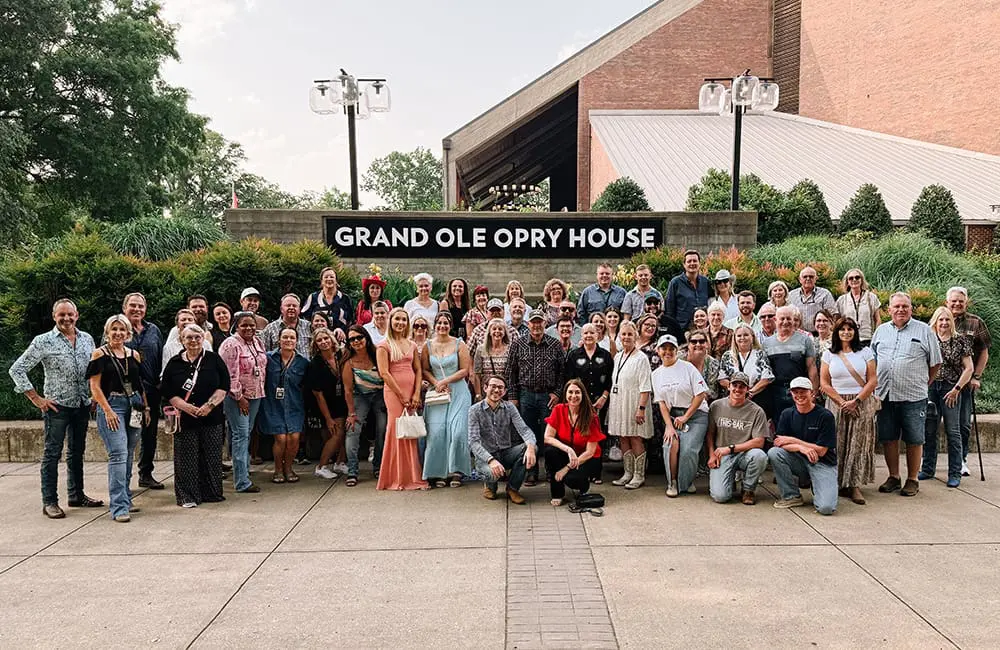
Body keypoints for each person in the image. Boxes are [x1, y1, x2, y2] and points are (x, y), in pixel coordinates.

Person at [10, 299, 102, 518]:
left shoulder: (87, 339)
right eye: (62, 315)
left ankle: (76, 495)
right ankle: (49, 502)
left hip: (82, 405)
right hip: (57, 407)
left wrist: (95, 395)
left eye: (70, 314)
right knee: (52, 454)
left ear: (77, 315)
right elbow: (17, 369)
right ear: (54, 317)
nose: (66, 318)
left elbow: (94, 369)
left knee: (76, 453)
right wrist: (36, 398)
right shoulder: (43, 341)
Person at [871, 292, 942, 498]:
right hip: (885, 394)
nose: (900, 310)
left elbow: (935, 362)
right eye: (897, 306)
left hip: (913, 396)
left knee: (914, 438)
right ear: (889, 309)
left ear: (911, 309)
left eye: (905, 306)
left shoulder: (924, 330)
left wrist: (924, 382)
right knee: (888, 437)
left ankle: (912, 479)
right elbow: (873, 360)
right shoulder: (881, 331)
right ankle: (894, 477)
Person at [161, 324, 230, 507]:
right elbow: (167, 391)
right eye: (189, 337)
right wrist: (186, 407)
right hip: (185, 418)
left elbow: (224, 385)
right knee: (186, 458)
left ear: (203, 339)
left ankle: (211, 493)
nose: (193, 341)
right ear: (182, 340)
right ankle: (188, 496)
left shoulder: (214, 360)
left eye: (197, 337)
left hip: (211, 416)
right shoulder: (174, 363)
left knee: (211, 456)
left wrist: (209, 406)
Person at [87, 315, 148, 522]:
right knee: (118, 454)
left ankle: (126, 497)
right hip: (112, 404)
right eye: (114, 329)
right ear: (107, 332)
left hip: (134, 404)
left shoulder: (134, 354)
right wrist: (107, 410)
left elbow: (139, 384)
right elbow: (95, 387)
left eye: (122, 329)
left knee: (129, 453)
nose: (118, 333)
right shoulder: (99, 354)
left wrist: (146, 408)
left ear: (128, 333)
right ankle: (118, 506)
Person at [505, 309, 566, 486]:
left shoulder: (555, 344)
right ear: (528, 324)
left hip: (548, 396)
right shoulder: (518, 344)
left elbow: (562, 373)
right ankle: (531, 471)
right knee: (528, 434)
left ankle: (550, 470)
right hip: (526, 395)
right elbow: (510, 372)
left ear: (545, 324)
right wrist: (513, 396)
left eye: (540, 322)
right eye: (534, 322)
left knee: (549, 434)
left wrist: (557, 393)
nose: (537, 325)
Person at [820, 317, 877, 505]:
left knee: (858, 443)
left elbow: (872, 380)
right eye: (842, 329)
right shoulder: (829, 354)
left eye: (850, 329)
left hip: (861, 401)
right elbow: (824, 383)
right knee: (837, 443)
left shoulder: (865, 352)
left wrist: (856, 401)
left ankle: (854, 485)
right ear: (836, 332)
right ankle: (837, 482)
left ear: (855, 331)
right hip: (836, 403)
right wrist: (842, 402)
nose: (846, 332)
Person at [768, 377, 838, 514]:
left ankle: (818, 484)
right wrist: (801, 448)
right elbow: (779, 443)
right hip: (798, 460)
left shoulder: (825, 416)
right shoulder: (787, 414)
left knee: (826, 508)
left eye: (803, 391)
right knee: (774, 453)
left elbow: (822, 451)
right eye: (795, 392)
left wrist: (793, 441)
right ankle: (791, 496)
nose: (799, 395)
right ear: (791, 394)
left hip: (822, 463)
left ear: (812, 393)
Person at [920, 307, 973, 488]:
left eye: (947, 319)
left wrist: (957, 389)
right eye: (940, 319)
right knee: (929, 429)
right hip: (931, 386)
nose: (944, 323)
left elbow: (969, 368)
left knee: (953, 430)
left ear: (952, 321)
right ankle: (928, 469)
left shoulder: (960, 340)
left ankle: (955, 473)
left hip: (951, 387)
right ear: (935, 321)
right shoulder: (928, 338)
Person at [376, 308, 428, 490]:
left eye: (404, 320)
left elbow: (418, 370)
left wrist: (416, 394)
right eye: (397, 319)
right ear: (391, 321)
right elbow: (384, 373)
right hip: (393, 392)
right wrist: (401, 395)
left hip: (411, 391)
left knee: (410, 431)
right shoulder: (384, 345)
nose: (400, 323)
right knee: (396, 429)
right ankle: (395, 477)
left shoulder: (411, 344)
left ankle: (412, 476)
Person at [653, 334, 709, 497]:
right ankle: (672, 482)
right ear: (658, 351)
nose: (667, 352)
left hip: (696, 415)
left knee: (688, 450)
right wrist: (669, 427)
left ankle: (685, 482)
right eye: (664, 348)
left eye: (671, 348)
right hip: (673, 417)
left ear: (677, 350)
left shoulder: (688, 368)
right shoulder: (656, 374)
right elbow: (662, 403)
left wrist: (686, 417)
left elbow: (700, 394)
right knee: (670, 444)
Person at [467, 374, 537, 504]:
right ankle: (490, 486)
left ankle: (512, 489)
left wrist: (531, 447)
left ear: (504, 392)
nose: (496, 390)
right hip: (485, 457)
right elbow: (473, 442)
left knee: (530, 448)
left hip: (505, 453)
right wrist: (491, 460)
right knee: (492, 474)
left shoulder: (509, 407)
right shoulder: (474, 410)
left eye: (500, 388)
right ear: (485, 388)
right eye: (493, 386)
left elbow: (524, 430)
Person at [421, 312, 473, 487]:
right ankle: (438, 472)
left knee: (457, 432)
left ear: (450, 326)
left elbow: (464, 370)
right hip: (437, 393)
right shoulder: (428, 346)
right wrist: (437, 383)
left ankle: (456, 471)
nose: (442, 326)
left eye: (446, 323)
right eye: (439, 323)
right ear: (435, 325)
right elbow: (425, 369)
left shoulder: (460, 344)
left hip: (458, 391)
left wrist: (445, 381)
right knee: (437, 433)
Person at [218, 311, 267, 494]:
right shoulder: (230, 344)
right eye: (244, 325)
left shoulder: (257, 342)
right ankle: (242, 482)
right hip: (237, 398)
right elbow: (229, 375)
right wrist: (239, 397)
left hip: (256, 395)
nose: (248, 328)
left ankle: (244, 471)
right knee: (240, 435)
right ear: (236, 326)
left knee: (246, 433)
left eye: (251, 325)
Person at [122, 292, 165, 490]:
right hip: (126, 392)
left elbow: (161, 357)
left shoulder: (153, 330)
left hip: (151, 391)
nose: (137, 309)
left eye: (141, 306)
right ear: (125, 308)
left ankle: (145, 474)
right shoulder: (118, 327)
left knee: (150, 435)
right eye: (133, 305)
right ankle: (123, 481)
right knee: (126, 438)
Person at [948, 286, 991, 477]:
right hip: (941, 381)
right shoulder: (940, 319)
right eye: (953, 301)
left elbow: (984, 352)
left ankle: (961, 460)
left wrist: (976, 376)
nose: (957, 304)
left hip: (965, 381)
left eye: (961, 301)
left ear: (966, 302)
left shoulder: (975, 322)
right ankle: (929, 461)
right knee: (931, 422)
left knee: (963, 424)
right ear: (946, 302)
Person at [706, 372, 768, 505]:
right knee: (720, 497)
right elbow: (710, 433)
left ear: (747, 389)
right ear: (729, 386)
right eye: (735, 385)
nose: (738, 389)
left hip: (744, 453)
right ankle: (729, 481)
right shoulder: (716, 406)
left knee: (760, 456)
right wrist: (711, 454)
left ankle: (748, 489)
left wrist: (731, 448)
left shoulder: (757, 411)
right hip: (721, 455)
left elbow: (759, 441)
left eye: (742, 386)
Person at [259, 327, 309, 483]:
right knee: (281, 438)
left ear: (296, 341)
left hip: (294, 405)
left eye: (292, 337)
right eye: (285, 337)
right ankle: (278, 470)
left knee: (294, 438)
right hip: (273, 405)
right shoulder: (268, 358)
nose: (288, 340)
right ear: (279, 340)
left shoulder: (303, 362)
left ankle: (288, 468)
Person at [564, 324, 613, 484]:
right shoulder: (574, 355)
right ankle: (580, 469)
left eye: (592, 332)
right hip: (580, 402)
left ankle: (596, 472)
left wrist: (604, 397)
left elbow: (611, 379)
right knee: (581, 435)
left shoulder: (605, 355)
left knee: (597, 436)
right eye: (586, 333)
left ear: (597, 335)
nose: (589, 336)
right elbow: (569, 380)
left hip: (600, 402)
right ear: (581, 335)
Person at [544, 379, 605, 506]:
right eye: (570, 392)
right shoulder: (559, 409)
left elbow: (590, 452)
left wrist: (566, 469)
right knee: (550, 452)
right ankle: (557, 493)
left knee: (572, 479)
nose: (573, 396)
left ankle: (584, 486)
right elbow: (548, 437)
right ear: (565, 394)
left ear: (583, 394)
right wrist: (568, 449)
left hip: (586, 458)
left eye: (577, 392)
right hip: (568, 453)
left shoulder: (591, 416)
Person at [608, 321, 653, 489]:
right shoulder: (618, 356)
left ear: (636, 336)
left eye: (630, 334)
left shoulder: (641, 358)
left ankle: (639, 475)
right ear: (619, 336)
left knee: (635, 437)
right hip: (619, 402)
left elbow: (645, 386)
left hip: (635, 403)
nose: (626, 337)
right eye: (624, 334)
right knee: (623, 436)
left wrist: (641, 409)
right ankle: (628, 472)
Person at [342, 325, 387, 485]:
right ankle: (352, 471)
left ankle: (378, 465)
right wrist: (351, 413)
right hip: (360, 396)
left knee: (383, 428)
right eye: (352, 339)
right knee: (353, 429)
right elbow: (348, 390)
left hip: (380, 395)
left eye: (359, 337)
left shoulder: (377, 355)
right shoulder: (349, 362)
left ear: (366, 338)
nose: (356, 341)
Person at [763, 306, 818, 422]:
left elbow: (811, 368)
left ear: (794, 320)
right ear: (775, 320)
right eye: (782, 319)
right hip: (775, 393)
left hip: (799, 392)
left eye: (788, 318)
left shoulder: (805, 340)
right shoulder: (767, 343)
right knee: (779, 425)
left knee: (800, 423)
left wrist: (813, 392)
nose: (785, 322)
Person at [308, 327, 349, 481]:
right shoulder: (315, 364)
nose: (323, 342)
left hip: (343, 400)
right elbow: (318, 394)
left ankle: (340, 462)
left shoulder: (341, 355)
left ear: (332, 340)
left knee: (344, 433)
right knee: (336, 434)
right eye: (319, 340)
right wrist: (328, 418)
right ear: (315, 344)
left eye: (326, 338)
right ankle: (322, 466)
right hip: (326, 404)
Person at [719, 324, 774, 410]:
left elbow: (766, 378)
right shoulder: (727, 356)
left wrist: (749, 392)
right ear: (734, 338)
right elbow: (722, 379)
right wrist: (737, 390)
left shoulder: (760, 354)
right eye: (739, 336)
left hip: (756, 398)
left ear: (752, 337)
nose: (742, 338)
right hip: (734, 398)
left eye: (746, 335)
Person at [665, 249, 710, 332]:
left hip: (704, 329)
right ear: (684, 265)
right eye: (689, 261)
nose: (692, 263)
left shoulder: (706, 282)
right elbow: (669, 309)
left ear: (699, 263)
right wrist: (672, 329)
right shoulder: (675, 283)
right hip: (682, 330)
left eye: (695, 261)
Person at [301, 266, 353, 334]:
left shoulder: (345, 298)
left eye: (332, 277)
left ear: (336, 281)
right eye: (326, 277)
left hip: (340, 337)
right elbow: (305, 318)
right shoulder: (313, 297)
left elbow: (350, 321)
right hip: (318, 337)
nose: (329, 279)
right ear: (321, 281)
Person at [835, 269, 880, 346]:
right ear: (847, 282)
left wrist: (876, 337)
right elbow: (837, 322)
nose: (854, 280)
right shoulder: (842, 300)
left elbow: (878, 319)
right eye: (851, 278)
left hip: (867, 339)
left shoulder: (871, 297)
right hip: (848, 340)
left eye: (857, 277)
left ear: (862, 280)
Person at [788, 266, 838, 333]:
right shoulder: (791, 295)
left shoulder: (825, 294)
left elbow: (833, 315)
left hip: (819, 334)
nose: (808, 279)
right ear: (800, 279)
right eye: (805, 277)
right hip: (797, 334)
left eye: (811, 277)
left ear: (816, 278)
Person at [261, 293, 312, 358]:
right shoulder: (270, 328)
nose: (291, 308)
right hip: (279, 364)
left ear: (299, 309)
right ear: (281, 309)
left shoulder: (309, 326)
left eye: (294, 306)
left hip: (305, 364)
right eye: (288, 305)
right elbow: (264, 352)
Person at [473, 318, 511, 400]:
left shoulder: (510, 349)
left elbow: (513, 374)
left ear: (504, 332)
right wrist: (478, 394)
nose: (497, 331)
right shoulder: (481, 349)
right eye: (494, 329)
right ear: (489, 332)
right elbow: (477, 374)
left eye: (500, 329)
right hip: (486, 393)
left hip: (504, 393)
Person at [682, 329, 721, 402]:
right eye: (694, 342)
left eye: (702, 341)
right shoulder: (679, 360)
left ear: (707, 344)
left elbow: (712, 391)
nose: (698, 344)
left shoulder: (713, 363)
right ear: (688, 345)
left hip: (704, 402)